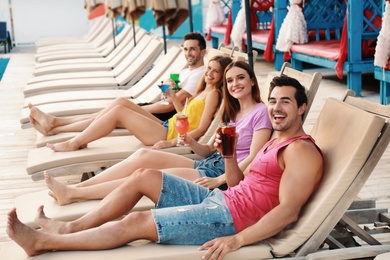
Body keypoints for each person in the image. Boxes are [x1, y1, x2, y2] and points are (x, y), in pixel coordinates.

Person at [7, 75, 324, 259]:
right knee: (144, 176)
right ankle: (73, 225)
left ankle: (45, 242)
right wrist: (228, 157)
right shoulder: (275, 141)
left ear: (302, 107)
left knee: (137, 222)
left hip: (230, 220)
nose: (277, 108)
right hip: (224, 199)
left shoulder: (300, 151)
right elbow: (241, 182)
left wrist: (237, 240)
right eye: (273, 101)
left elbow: (288, 211)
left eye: (285, 102)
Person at [43, 60, 273, 206]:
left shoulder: (261, 113)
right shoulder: (232, 113)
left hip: (222, 175)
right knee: (143, 156)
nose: (234, 84)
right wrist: (190, 140)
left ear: (252, 81)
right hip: (209, 164)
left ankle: (73, 194)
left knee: (144, 174)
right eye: (230, 80)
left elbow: (255, 157)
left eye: (240, 78)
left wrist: (219, 179)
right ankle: (76, 188)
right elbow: (206, 152)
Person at [28, 32, 207, 136]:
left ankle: (57, 126)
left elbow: (171, 108)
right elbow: (167, 98)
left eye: (192, 49)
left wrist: (143, 109)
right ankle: (57, 124)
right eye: (185, 48)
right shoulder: (184, 72)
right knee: (107, 110)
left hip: (165, 120)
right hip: (157, 109)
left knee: (114, 109)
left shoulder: (199, 75)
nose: (188, 53)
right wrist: (166, 90)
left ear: (203, 51)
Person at [45, 55, 232, 152]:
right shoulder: (203, 90)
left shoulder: (214, 94)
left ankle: (74, 141)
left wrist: (172, 143)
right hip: (168, 126)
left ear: (222, 76)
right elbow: (183, 115)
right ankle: (68, 130)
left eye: (215, 71)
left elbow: (202, 129)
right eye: (209, 68)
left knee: (119, 111)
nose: (209, 73)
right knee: (121, 102)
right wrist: (173, 96)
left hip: (167, 134)